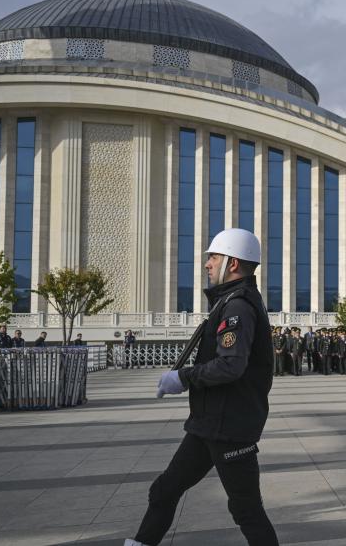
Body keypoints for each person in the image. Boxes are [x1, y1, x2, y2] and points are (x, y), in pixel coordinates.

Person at [129, 227, 277, 546]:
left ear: (232, 263)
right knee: (164, 490)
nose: (207, 264)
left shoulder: (238, 306)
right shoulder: (229, 302)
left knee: (246, 510)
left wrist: (182, 378)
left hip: (229, 427)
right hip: (209, 424)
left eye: (213, 257)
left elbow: (230, 364)